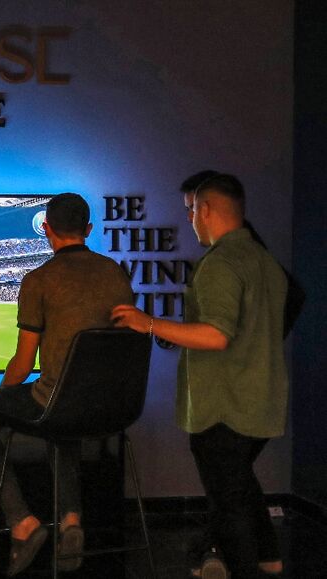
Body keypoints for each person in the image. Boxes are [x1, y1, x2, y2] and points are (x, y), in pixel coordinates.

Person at [113, 174, 288, 579]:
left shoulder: (220, 263)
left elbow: (216, 335)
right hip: (261, 401)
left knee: (229, 505)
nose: (190, 219)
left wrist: (148, 323)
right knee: (240, 486)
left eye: (191, 210)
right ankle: (270, 556)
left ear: (205, 209)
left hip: (223, 406)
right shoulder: (265, 262)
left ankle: (249, 566)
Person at [0, 193, 133, 575]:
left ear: (46, 230)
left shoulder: (39, 279)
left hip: (60, 402)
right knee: (63, 413)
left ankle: (22, 522)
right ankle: (71, 521)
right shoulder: (116, 273)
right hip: (116, 404)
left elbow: (23, 365)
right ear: (89, 229)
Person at [180, 170, 305, 340]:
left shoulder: (237, 248)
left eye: (193, 208)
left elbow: (293, 296)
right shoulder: (237, 243)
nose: (190, 218)